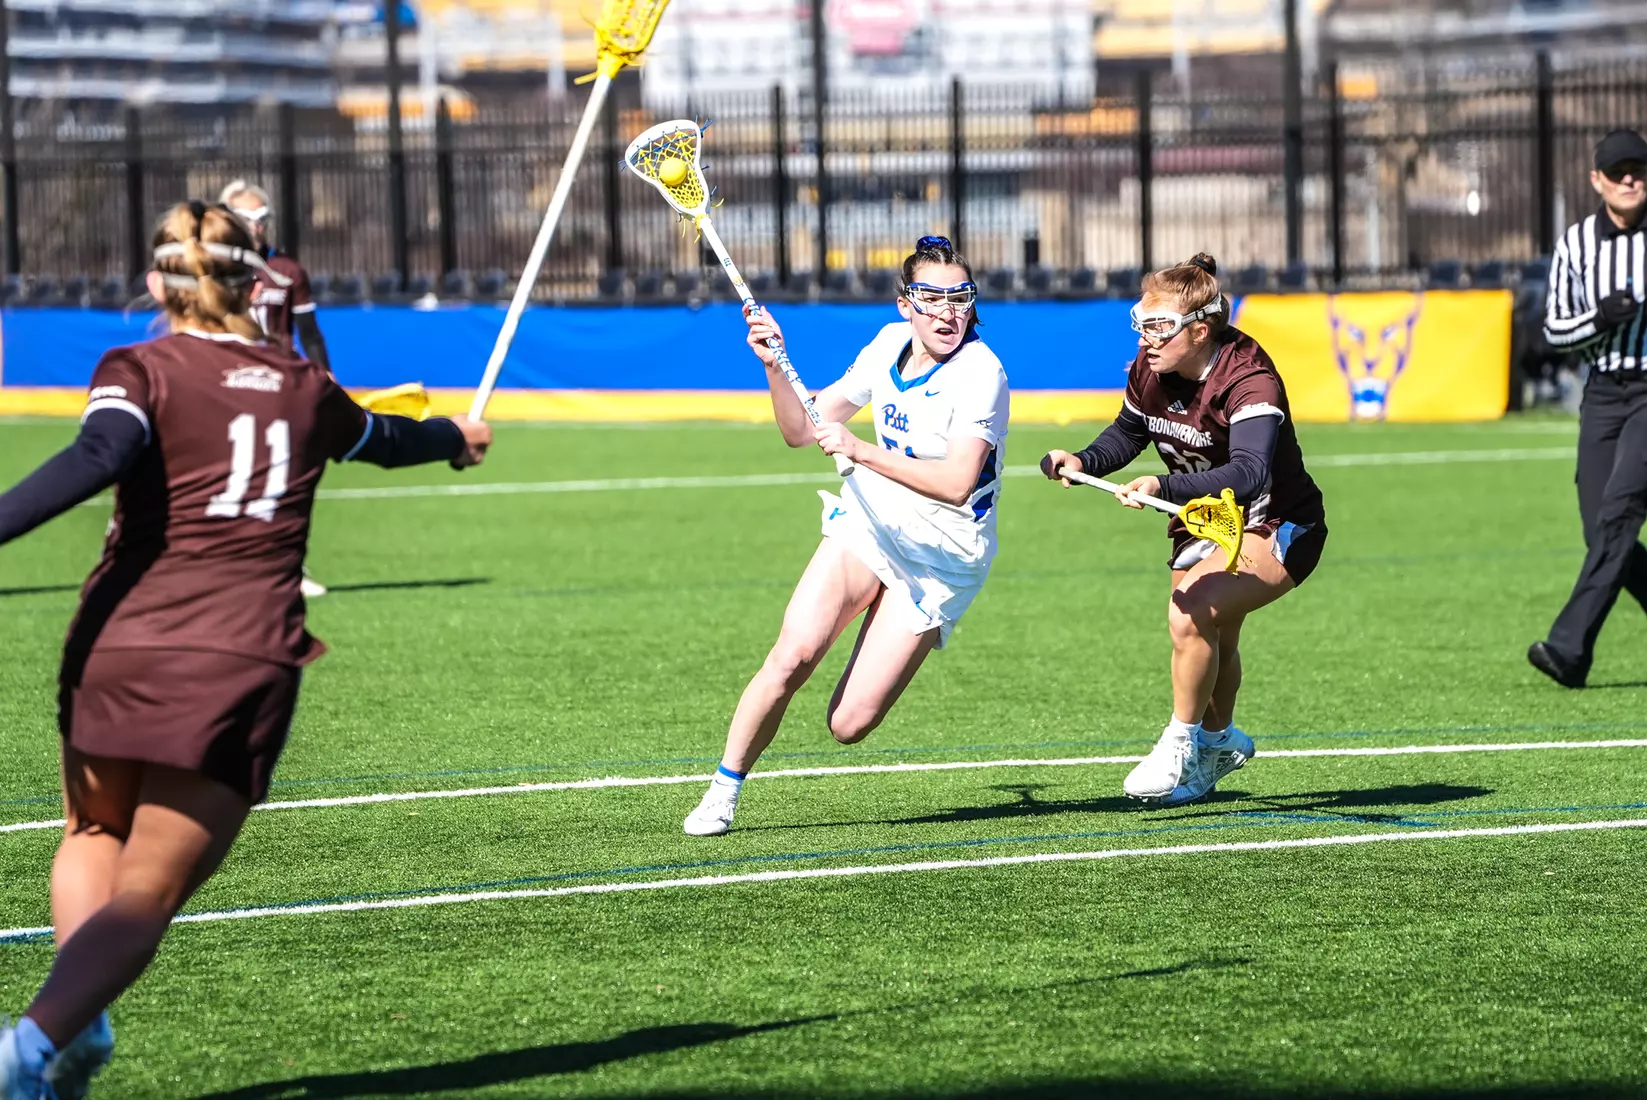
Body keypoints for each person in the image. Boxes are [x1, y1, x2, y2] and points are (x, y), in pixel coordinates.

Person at [0, 201, 491, 1100]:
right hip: (235, 658)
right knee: (145, 891)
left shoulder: (136, 366)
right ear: (255, 279)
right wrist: (453, 440)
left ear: (158, 284)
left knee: (94, 831)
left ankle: (71, 1022)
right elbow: (384, 442)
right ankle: (30, 1048)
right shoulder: (301, 384)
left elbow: (99, 454)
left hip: (116, 641)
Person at [682, 235, 1009, 837]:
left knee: (848, 724)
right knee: (793, 655)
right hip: (871, 523)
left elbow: (957, 483)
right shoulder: (887, 346)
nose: (947, 312)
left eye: (959, 297)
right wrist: (774, 366)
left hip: (943, 558)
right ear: (904, 304)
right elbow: (801, 431)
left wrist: (860, 449)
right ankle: (723, 790)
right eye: (931, 298)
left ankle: (883, 611)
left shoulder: (981, 374)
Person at [1041, 253, 1326, 808]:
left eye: (1158, 327)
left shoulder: (1250, 380)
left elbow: (1250, 474)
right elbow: (1127, 434)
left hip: (1277, 521)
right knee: (1209, 632)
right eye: (1140, 324)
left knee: (1191, 611)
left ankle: (1180, 741)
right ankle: (1217, 745)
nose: (1146, 339)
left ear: (1199, 330)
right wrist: (1081, 460)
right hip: (1204, 519)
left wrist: (1161, 487)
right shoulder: (1150, 368)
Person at [1529, 130, 1647, 689]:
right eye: (1618, 170)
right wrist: (1602, 317)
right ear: (1597, 179)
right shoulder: (1576, 244)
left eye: (1639, 169)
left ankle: (1569, 649)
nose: (1631, 179)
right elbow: (1555, 328)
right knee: (1599, 528)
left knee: (1621, 511)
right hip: (1602, 391)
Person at [219, 179, 333, 598]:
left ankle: (288, 567)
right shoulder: (218, 271)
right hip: (227, 384)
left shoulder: (287, 271)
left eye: (262, 218)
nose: (257, 226)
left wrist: (325, 376)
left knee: (285, 474)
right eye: (247, 218)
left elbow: (310, 333)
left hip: (277, 384)